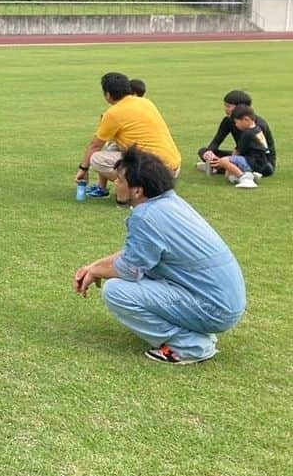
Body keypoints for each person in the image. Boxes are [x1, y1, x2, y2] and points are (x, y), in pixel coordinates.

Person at [73, 147, 246, 364]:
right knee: (131, 279)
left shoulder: (146, 216)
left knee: (116, 291)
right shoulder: (169, 203)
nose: (115, 184)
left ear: (138, 190)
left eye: (119, 180)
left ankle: (190, 346)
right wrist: (94, 266)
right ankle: (191, 335)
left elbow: (129, 268)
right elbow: (136, 255)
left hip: (214, 308)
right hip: (223, 302)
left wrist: (97, 270)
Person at [75, 72, 181, 199]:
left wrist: (83, 169)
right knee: (112, 146)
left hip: (155, 171)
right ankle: (102, 188)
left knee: (96, 158)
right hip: (172, 167)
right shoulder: (145, 102)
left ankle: (138, 188)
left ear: (107, 95)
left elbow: (95, 146)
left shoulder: (113, 113)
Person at [197, 89, 277, 175]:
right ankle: (219, 166)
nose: (226, 109)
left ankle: (222, 168)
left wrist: (228, 160)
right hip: (241, 156)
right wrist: (210, 152)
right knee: (203, 151)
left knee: (229, 160)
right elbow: (217, 140)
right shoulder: (228, 121)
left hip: (261, 163)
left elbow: (264, 153)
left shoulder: (259, 126)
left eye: (228, 106)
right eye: (225, 106)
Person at [208, 105, 275, 188]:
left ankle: (246, 179)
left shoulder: (247, 134)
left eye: (237, 122)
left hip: (253, 162)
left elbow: (237, 152)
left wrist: (227, 166)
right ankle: (250, 175)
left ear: (246, 119)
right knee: (230, 167)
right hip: (262, 163)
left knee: (223, 161)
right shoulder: (258, 129)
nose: (236, 125)